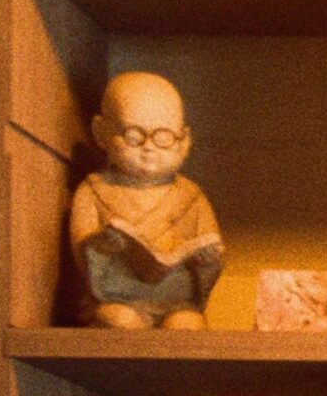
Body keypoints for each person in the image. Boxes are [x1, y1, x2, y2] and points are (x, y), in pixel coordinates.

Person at [68, 71, 224, 329]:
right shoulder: (93, 190)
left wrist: (208, 260)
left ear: (184, 141)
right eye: (133, 136)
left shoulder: (191, 196)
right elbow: (81, 254)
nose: (149, 148)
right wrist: (103, 245)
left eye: (164, 138)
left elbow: (209, 260)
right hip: (117, 301)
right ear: (101, 132)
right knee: (121, 322)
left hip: (175, 303)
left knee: (188, 326)